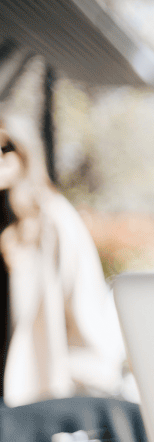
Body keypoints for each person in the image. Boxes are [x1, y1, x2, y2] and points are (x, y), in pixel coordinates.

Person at [0, 114, 134, 406]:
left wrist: (70, 401)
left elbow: (88, 329)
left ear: (25, 155)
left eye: (6, 148)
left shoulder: (53, 221)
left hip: (30, 407)